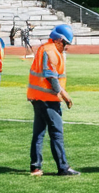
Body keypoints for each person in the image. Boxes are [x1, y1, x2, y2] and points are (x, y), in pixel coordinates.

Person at [27, 24, 79, 176]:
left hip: (39, 97)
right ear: (59, 40)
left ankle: (35, 166)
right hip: (47, 99)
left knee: (39, 133)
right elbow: (51, 78)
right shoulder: (51, 51)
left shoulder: (48, 49)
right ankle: (63, 167)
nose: (66, 47)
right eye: (65, 43)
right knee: (56, 133)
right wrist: (65, 95)